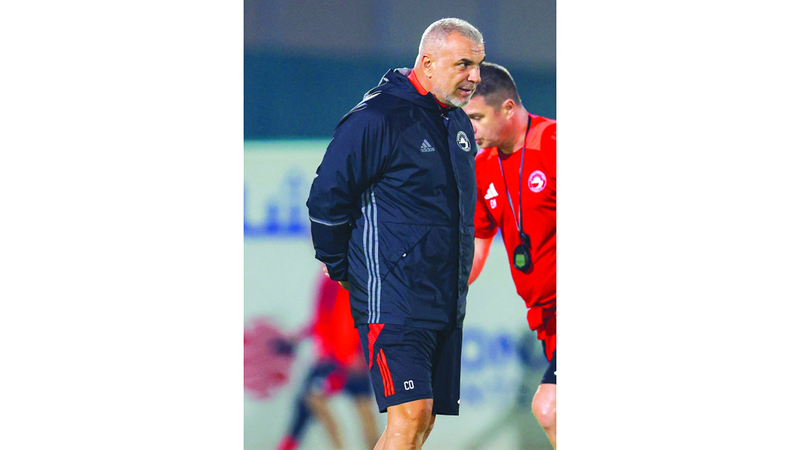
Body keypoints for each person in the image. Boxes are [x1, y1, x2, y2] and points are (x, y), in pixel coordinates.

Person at [306, 17, 484, 450]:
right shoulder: (377, 117)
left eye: (478, 65)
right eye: (464, 64)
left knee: (420, 422)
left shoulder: (458, 125)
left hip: (444, 299)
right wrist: (341, 267)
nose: (475, 77)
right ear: (427, 62)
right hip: (393, 296)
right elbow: (327, 197)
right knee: (411, 414)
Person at [463, 62, 557, 449]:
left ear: (507, 108)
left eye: (477, 117)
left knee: (550, 408)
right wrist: (440, 288)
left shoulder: (553, 144)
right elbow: (478, 244)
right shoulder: (482, 167)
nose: (471, 129)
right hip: (546, 317)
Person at [275, 274, 379, 450]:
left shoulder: (343, 276)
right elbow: (324, 317)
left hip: (341, 358)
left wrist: (354, 352)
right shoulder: (334, 276)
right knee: (318, 400)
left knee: (318, 399)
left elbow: (349, 315)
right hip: (340, 357)